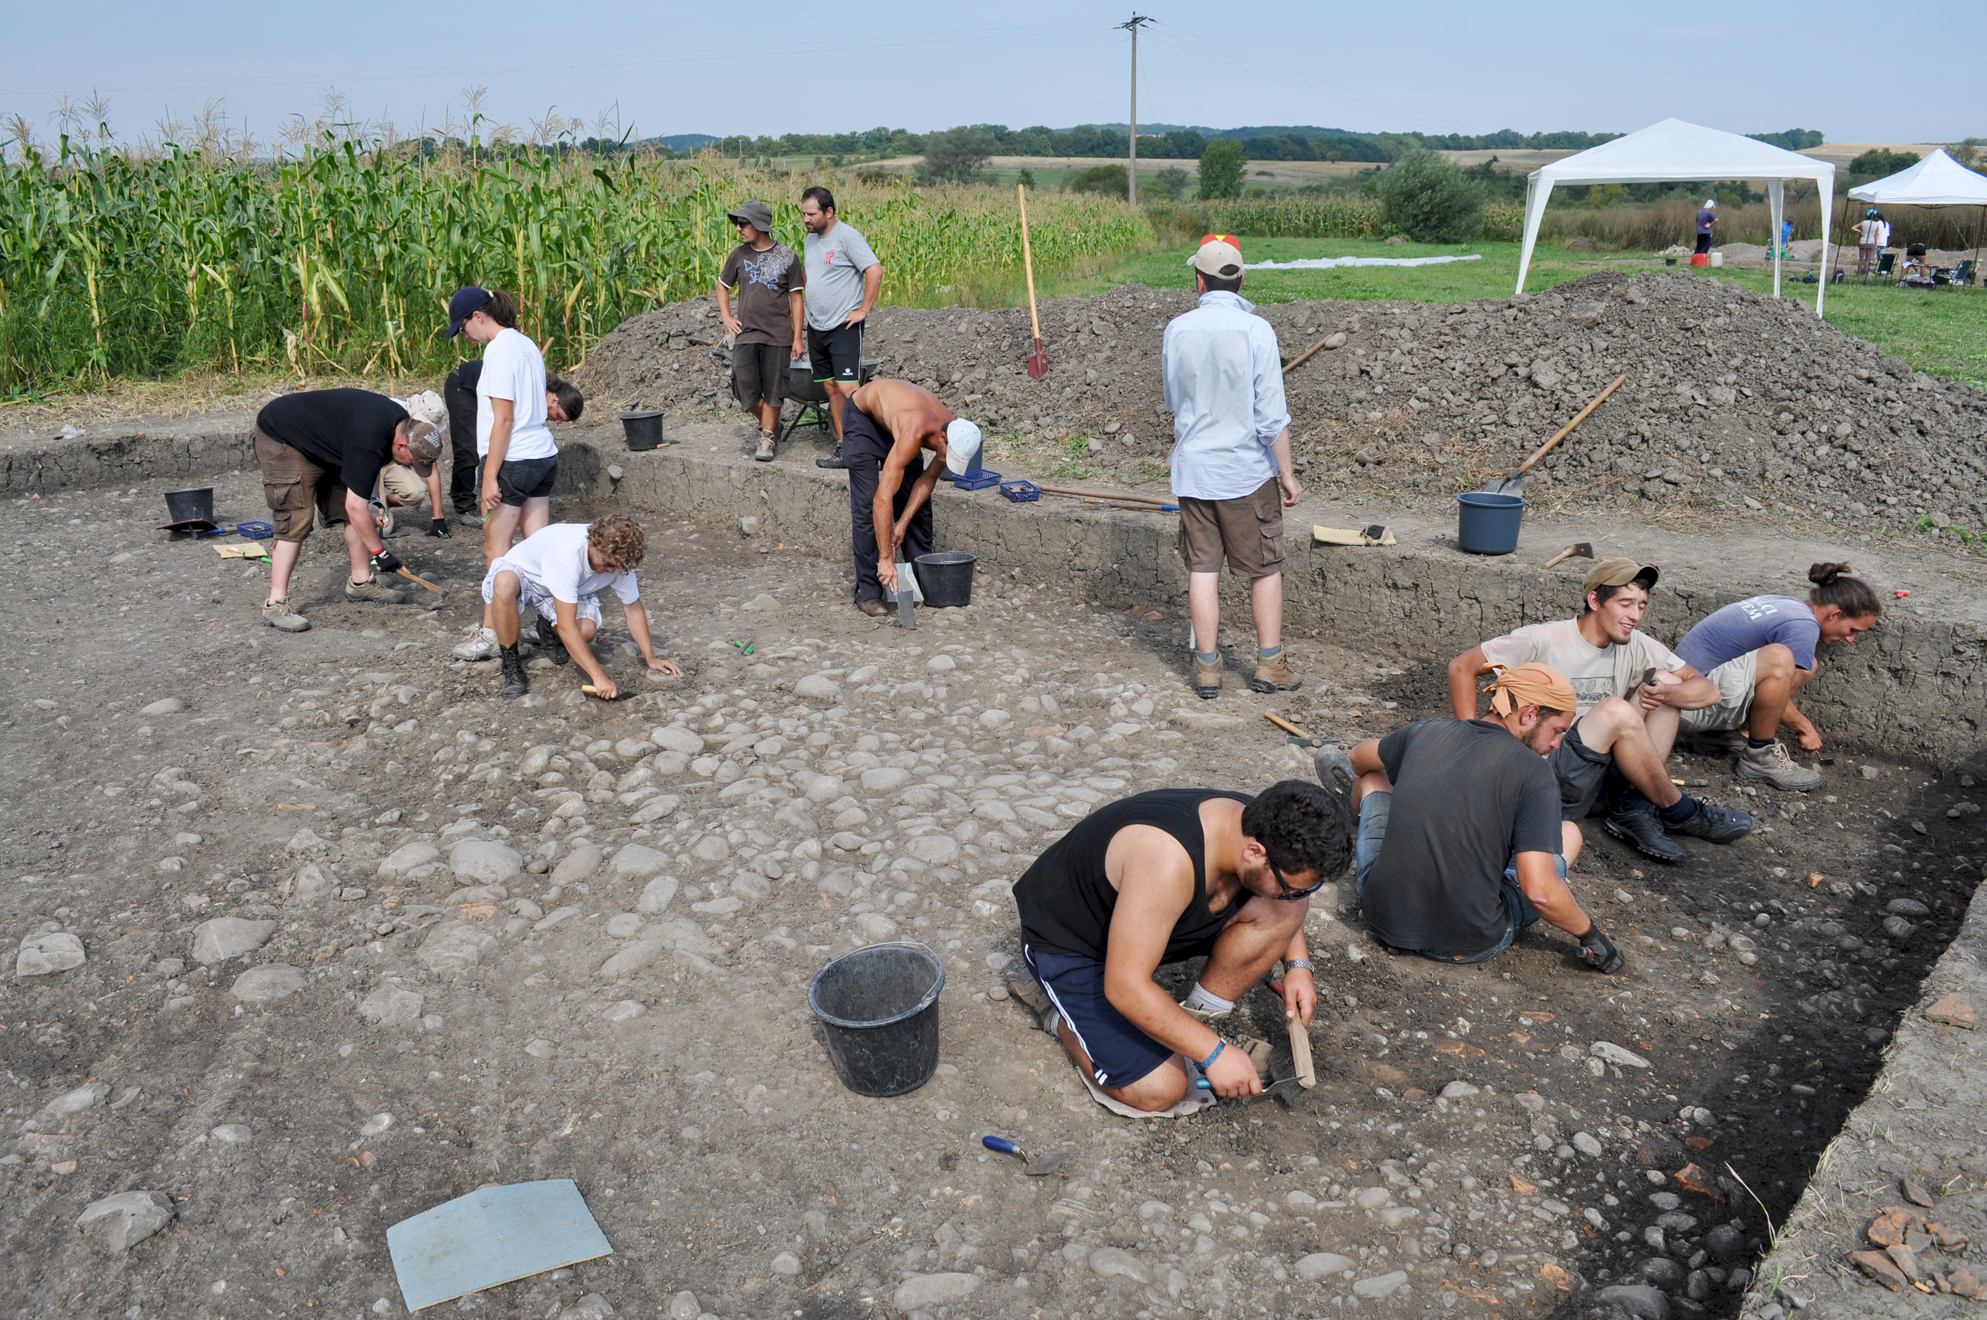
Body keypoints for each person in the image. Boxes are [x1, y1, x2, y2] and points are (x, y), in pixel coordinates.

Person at [1007, 778, 1354, 1114]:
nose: (1297, 898)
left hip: (1150, 921)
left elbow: (1288, 898)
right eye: (1294, 887)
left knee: (1279, 905)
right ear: (1254, 852)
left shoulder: (1265, 824)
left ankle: (1182, 1028)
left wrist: (1297, 965)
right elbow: (1124, 986)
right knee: (1161, 1089)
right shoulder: (1165, 860)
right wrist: (1215, 1053)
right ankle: (1063, 1017)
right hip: (1073, 945)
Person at [1447, 559, 1755, 864]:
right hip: (1546, 777)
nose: (1635, 615)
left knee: (1664, 682)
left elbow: (1709, 691)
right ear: (1595, 599)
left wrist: (1668, 692)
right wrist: (1475, 745)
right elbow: (1461, 667)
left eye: (1642, 606)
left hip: (1598, 777)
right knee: (1614, 709)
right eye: (1625, 604)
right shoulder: (1544, 638)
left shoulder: (1636, 645)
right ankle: (1679, 810)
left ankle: (1633, 804)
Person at [1344, 662, 1624, 973]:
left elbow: (1357, 757)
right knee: (1568, 833)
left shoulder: (1426, 731)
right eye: (1557, 730)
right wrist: (1591, 935)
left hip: (1382, 915)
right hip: (1466, 941)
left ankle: (1358, 802)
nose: (1557, 744)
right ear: (1529, 714)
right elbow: (1540, 891)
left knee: (1373, 779)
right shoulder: (1535, 773)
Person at [1163, 235, 1304, 700]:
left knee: (1203, 568)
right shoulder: (1257, 331)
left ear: (1199, 282)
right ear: (1241, 280)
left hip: (1195, 471)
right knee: (1264, 568)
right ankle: (1269, 665)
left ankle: (1207, 669)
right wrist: (1286, 475)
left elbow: (1172, 402)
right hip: (1245, 473)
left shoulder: (1177, 329)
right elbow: (1272, 417)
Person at [443, 287, 586, 662]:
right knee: (538, 550)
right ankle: (552, 624)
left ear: (477, 316)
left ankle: (492, 633)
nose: (464, 337)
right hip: (543, 456)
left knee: (498, 551)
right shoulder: (525, 343)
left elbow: (503, 418)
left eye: (462, 328)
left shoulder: (498, 350)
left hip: (514, 462)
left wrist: (488, 476)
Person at [1674, 563, 1884, 790]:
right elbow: (1776, 684)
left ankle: (1714, 735)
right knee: (1779, 659)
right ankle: (1760, 756)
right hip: (1685, 707)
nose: (1851, 639)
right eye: (1853, 630)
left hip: (1683, 696)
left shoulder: (1787, 604)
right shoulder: (1803, 625)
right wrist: (1804, 727)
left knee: (1806, 665)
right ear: (1835, 614)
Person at [250, 388, 441, 633]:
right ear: (403, 445)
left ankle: (360, 581)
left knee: (357, 511)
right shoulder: (372, 433)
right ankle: (275, 603)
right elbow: (355, 504)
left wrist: (375, 502)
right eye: (411, 462)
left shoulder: (397, 426)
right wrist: (381, 553)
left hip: (328, 444)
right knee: (296, 519)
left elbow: (365, 479)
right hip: (285, 437)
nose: (410, 467)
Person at [481, 514, 683, 700]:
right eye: (607, 564)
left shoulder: (619, 559)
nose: (611, 570)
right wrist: (599, 677)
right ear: (594, 544)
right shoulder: (566, 554)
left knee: (585, 632)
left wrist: (650, 657)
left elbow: (633, 609)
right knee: (504, 583)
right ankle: (511, 662)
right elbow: (567, 627)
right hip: (528, 575)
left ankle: (546, 628)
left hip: (574, 586)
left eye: (617, 567)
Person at [838, 377, 981, 616]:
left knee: (917, 508)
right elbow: (882, 499)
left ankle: (919, 577)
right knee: (866, 505)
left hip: (896, 425)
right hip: (863, 420)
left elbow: (928, 479)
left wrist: (902, 520)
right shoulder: (914, 430)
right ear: (942, 439)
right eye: (948, 456)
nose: (945, 461)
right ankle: (869, 590)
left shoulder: (955, 432)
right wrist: (886, 557)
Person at [444, 360, 584, 533]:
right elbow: (505, 421)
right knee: (469, 446)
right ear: (555, 400)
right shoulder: (532, 390)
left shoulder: (543, 395)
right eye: (558, 416)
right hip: (464, 385)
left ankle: (528, 497)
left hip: (483, 388)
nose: (556, 422)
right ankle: (463, 505)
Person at [799, 186, 882, 469]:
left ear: (829, 212)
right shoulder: (811, 240)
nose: (806, 219)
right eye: (803, 214)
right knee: (832, 388)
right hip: (817, 325)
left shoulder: (847, 236)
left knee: (849, 388)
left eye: (811, 214)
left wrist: (863, 310)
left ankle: (874, 445)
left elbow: (874, 270)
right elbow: (809, 274)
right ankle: (845, 447)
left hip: (843, 325)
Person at [718, 200, 805, 463]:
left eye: (743, 223)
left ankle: (767, 438)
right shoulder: (738, 255)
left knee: (774, 389)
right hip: (747, 333)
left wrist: (798, 337)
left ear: (759, 225)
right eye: (737, 223)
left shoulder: (788, 257)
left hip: (778, 335)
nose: (738, 228)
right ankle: (772, 423)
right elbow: (722, 285)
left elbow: (797, 298)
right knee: (744, 387)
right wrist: (727, 316)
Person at [1853, 208, 1891, 277]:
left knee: (1861, 258)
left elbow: (1853, 227)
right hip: (1874, 242)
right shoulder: (1878, 224)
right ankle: (1866, 271)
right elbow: (1876, 235)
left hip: (1863, 241)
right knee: (1869, 258)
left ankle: (1859, 272)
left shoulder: (1864, 222)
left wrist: (1860, 232)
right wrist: (1875, 243)